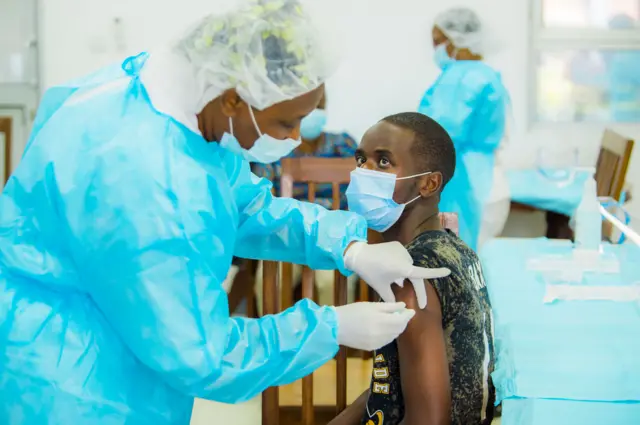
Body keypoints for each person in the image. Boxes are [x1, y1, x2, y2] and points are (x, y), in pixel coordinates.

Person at [0, 2, 450, 424]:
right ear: (234, 99)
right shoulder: (142, 175)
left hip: (106, 346)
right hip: (72, 382)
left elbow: (248, 208)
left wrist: (348, 244)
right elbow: (201, 355)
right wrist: (328, 328)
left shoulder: (179, 105)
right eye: (284, 122)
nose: (295, 138)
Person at [330, 112, 495, 425]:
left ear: (429, 183)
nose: (363, 172)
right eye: (361, 159)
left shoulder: (412, 278)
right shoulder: (457, 251)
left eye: (382, 163)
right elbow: (392, 387)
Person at [252, 88, 359, 308]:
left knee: (330, 282)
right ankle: (278, 339)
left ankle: (338, 339)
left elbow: (362, 189)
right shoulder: (274, 148)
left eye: (318, 107)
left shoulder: (343, 145)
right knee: (269, 281)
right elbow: (261, 197)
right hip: (287, 233)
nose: (312, 114)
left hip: (335, 235)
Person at [418, 8, 510, 251]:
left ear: (457, 39)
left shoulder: (462, 79)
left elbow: (435, 132)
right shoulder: (485, 75)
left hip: (471, 189)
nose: (435, 50)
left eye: (438, 42)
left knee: (466, 274)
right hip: (484, 183)